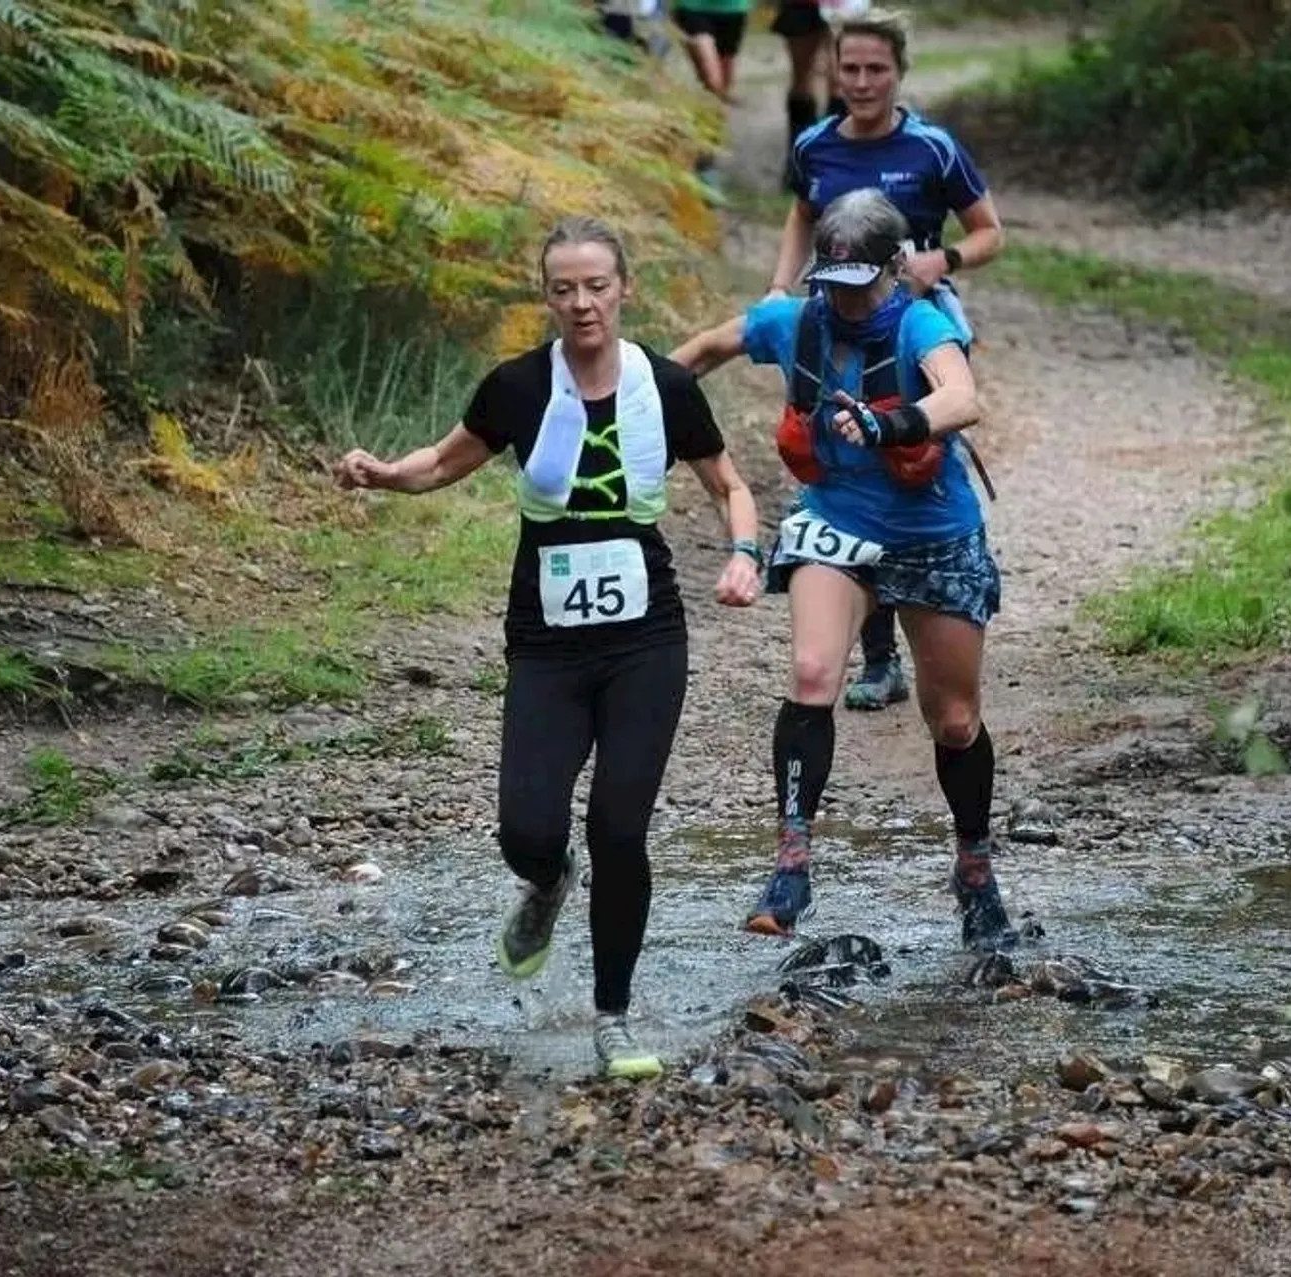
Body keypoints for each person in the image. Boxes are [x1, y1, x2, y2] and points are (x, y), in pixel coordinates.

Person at [335, 216, 762, 1078]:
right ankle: (546, 880)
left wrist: (747, 554)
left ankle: (613, 1016)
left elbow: (729, 484)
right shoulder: (518, 386)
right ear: (547, 297)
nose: (581, 303)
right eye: (563, 288)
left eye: (596, 285)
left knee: (619, 826)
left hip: (646, 640)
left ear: (624, 290)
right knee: (526, 828)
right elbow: (445, 461)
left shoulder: (669, 387)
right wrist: (385, 474)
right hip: (546, 643)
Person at [671, 188, 1018, 951]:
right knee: (811, 673)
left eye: (861, 285)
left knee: (954, 720)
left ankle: (974, 869)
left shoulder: (921, 320)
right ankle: (791, 863)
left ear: (895, 269)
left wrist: (893, 421)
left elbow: (962, 398)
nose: (847, 303)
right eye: (832, 286)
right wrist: (631, 406)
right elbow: (699, 353)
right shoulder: (796, 321)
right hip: (836, 520)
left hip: (933, 531)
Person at [765, 9, 1006, 714]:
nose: (863, 82)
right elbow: (803, 216)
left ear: (900, 73)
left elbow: (992, 233)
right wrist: (781, 288)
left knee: (911, 461)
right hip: (834, 319)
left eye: (877, 70)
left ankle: (930, 608)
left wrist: (941, 259)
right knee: (840, 467)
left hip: (914, 321)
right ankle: (877, 656)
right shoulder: (814, 143)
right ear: (833, 71)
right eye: (851, 69)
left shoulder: (932, 148)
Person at [771, 0, 849, 148]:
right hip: (803, 6)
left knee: (840, 78)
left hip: (844, 6)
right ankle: (802, 152)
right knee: (802, 80)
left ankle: (839, 149)